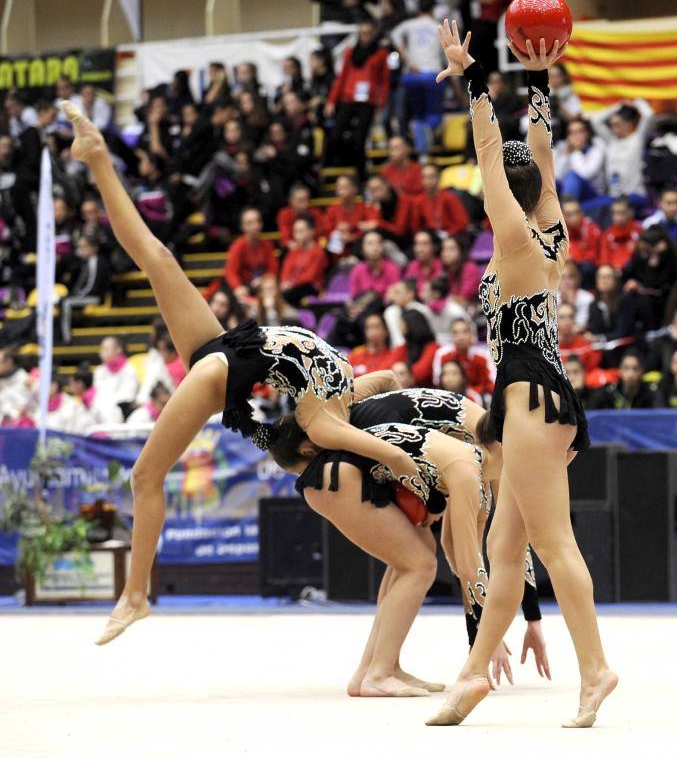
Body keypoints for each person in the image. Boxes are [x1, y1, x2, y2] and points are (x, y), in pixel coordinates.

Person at [60, 101, 431, 645]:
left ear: (308, 446)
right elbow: (391, 385)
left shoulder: (329, 420)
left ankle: (135, 596)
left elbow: (390, 414)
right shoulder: (340, 403)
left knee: (145, 476)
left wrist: (400, 458)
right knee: (157, 257)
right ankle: (97, 159)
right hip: (229, 348)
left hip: (226, 368)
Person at [427, 22, 616, 727]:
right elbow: (536, 152)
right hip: (535, 397)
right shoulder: (549, 230)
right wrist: (536, 80)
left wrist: (474, 79)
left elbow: (490, 153)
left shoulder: (511, 239)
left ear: (502, 194)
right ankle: (474, 672)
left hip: (529, 396)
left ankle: (595, 671)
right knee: (502, 550)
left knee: (552, 544)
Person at [269, 390, 547, 676]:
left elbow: (503, 547)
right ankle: (379, 673)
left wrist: (529, 620)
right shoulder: (473, 466)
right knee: (418, 565)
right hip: (343, 473)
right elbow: (467, 558)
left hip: (367, 461)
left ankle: (379, 668)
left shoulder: (480, 449)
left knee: (415, 556)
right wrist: (487, 639)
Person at [325, 19, 389, 178]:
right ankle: (336, 164)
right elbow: (342, 78)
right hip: (349, 98)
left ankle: (361, 174)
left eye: (368, 34)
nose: (365, 37)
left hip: (368, 101)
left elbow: (385, 81)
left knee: (360, 138)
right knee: (335, 134)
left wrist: (380, 104)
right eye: (362, 34)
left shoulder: (381, 54)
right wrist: (331, 101)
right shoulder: (350, 52)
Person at [391, 0, 445, 155]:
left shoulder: (409, 24)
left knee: (418, 114)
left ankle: (420, 147)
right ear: (433, 10)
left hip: (412, 76)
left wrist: (407, 60)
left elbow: (394, 35)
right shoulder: (438, 26)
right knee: (433, 114)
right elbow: (446, 54)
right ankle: (425, 149)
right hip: (432, 75)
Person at [590, 97, 654, 204]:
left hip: (635, 195)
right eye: (612, 125)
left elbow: (649, 115)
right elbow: (595, 120)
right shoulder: (611, 141)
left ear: (629, 124)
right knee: (586, 207)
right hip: (614, 197)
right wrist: (619, 106)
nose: (614, 129)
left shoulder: (637, 139)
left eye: (617, 125)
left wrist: (636, 102)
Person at [60, 233, 111, 344]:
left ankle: (66, 338)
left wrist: (76, 296)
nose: (80, 250)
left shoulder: (97, 262)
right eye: (79, 247)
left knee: (66, 303)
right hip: (87, 295)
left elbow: (92, 287)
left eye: (84, 247)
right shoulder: (85, 263)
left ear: (94, 248)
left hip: (96, 297)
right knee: (62, 300)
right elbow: (79, 284)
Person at [223, 207, 279, 302]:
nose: (255, 226)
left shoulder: (267, 244)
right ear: (243, 227)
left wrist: (264, 280)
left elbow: (273, 268)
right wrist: (238, 287)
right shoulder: (238, 246)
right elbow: (230, 271)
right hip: (243, 286)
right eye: (250, 223)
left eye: (258, 221)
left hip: (262, 285)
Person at [432, 318, 494, 398]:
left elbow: (491, 384)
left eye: (465, 332)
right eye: (455, 333)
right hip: (448, 395)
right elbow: (437, 382)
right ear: (451, 336)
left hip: (479, 397)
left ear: (472, 334)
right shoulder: (442, 355)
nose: (461, 337)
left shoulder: (483, 356)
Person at [279, 215, 329, 306]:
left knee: (289, 295)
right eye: (295, 231)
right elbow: (286, 271)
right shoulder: (293, 252)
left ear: (311, 232)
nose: (297, 235)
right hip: (293, 288)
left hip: (311, 287)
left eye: (301, 231)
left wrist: (291, 284)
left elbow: (310, 276)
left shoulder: (318, 252)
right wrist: (285, 282)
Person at [554, 118, 606, 204]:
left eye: (579, 132)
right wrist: (566, 155)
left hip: (593, 194)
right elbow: (557, 176)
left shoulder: (597, 146)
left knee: (572, 176)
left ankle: (568, 210)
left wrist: (575, 151)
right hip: (570, 193)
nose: (576, 136)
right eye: (572, 133)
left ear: (587, 133)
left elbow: (585, 174)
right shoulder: (566, 148)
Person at [411, 164, 470, 236]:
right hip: (431, 238)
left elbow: (463, 223)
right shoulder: (418, 201)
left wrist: (448, 233)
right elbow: (416, 227)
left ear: (438, 178)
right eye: (425, 177)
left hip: (453, 235)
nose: (428, 181)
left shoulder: (450, 197)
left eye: (432, 177)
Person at [93, 336, 140, 420]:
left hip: (121, 411)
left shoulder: (130, 369)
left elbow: (128, 396)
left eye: (106, 349)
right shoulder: (99, 371)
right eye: (101, 349)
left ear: (118, 350)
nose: (101, 352)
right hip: (101, 410)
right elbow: (98, 396)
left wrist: (109, 406)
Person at [391, 309, 440, 386]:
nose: (399, 328)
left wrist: (402, 375)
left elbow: (421, 373)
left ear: (411, 325)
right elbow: (390, 371)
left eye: (402, 324)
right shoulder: (402, 348)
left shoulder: (433, 347)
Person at [349, 231, 401, 300]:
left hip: (385, 307)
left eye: (378, 243)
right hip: (363, 307)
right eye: (370, 243)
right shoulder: (357, 270)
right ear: (362, 248)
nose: (375, 247)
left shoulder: (392, 269)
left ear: (382, 247)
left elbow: (394, 296)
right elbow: (354, 296)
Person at [561, 197, 601, 285]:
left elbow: (593, 257)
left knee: (586, 267)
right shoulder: (557, 231)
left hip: (586, 271)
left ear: (582, 213)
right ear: (562, 215)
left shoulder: (592, 229)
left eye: (577, 212)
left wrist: (573, 258)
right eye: (569, 214)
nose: (575, 217)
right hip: (565, 270)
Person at [348, 313, 398, 377]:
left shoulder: (393, 356)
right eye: (368, 327)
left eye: (377, 327)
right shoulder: (355, 355)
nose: (372, 331)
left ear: (386, 331)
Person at [598, 197, 642, 271]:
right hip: (613, 274)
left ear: (630, 212)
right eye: (613, 213)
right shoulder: (607, 234)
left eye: (621, 213)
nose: (616, 217)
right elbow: (604, 260)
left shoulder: (639, 231)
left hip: (633, 273)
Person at [276, 183, 325, 248]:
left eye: (307, 199)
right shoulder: (284, 214)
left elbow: (323, 235)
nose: (305, 204)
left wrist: (318, 246)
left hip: (315, 249)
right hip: (294, 250)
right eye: (301, 200)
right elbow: (286, 239)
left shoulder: (316, 212)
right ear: (291, 201)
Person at [558, 301, 601, 373]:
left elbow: (592, 370)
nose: (567, 321)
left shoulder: (585, 345)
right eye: (562, 317)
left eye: (570, 317)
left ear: (574, 320)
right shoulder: (548, 346)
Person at [440, 235, 481, 304]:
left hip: (472, 310)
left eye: (451, 249)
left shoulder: (470, 268)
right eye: (444, 249)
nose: (445, 253)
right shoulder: (444, 269)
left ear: (461, 251)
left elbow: (464, 301)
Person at [404, 228, 443, 297]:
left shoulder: (443, 266)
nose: (419, 249)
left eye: (425, 244)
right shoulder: (412, 266)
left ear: (434, 246)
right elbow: (407, 291)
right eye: (417, 244)